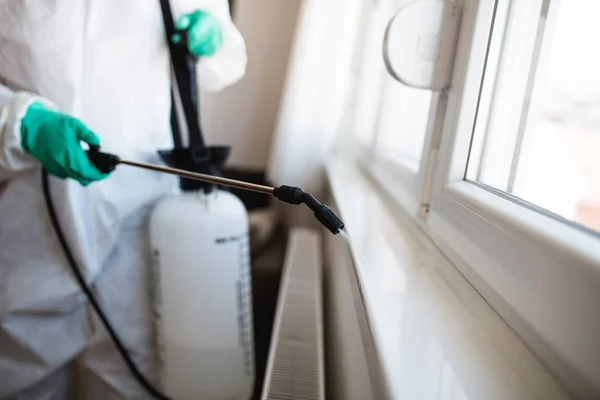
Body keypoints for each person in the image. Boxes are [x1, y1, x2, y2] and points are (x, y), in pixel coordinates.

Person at [0, 1, 246, 398]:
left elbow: (226, 62)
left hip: (144, 207)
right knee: (20, 373)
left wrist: (213, 37)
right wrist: (18, 121)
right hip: (36, 208)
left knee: (134, 375)